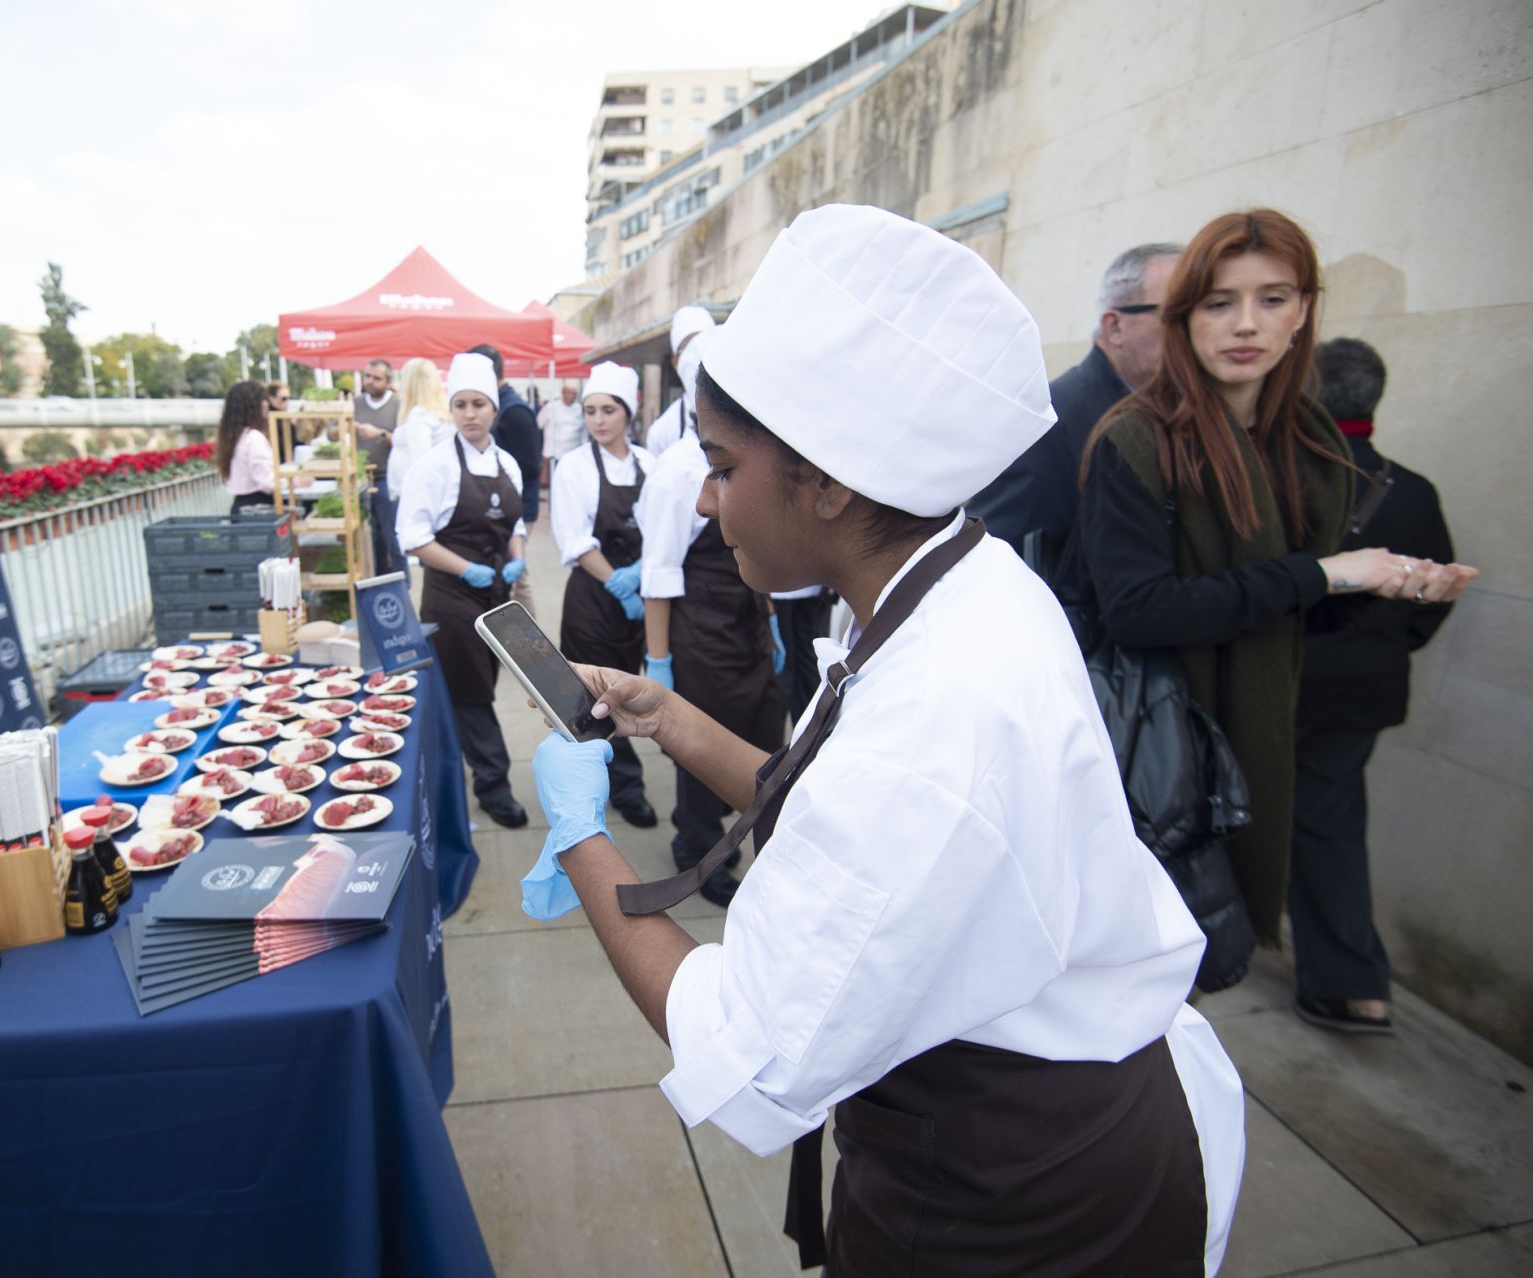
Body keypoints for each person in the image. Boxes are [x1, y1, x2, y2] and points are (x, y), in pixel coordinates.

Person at [517, 205, 1245, 1275]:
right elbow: (816, 791)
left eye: (722, 466)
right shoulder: (940, 580)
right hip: (1011, 1130)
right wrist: (667, 717)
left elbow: (750, 1052)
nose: (709, 503)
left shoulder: (934, 721)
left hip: (1014, 1200)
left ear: (830, 482)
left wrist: (582, 836)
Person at [1073, 208, 1478, 979]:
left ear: (1304, 313)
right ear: (1186, 315)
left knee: (1207, 956)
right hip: (1160, 749)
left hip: (1264, 734)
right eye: (1220, 303)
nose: (1246, 324)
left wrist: (1390, 587)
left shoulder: (1312, 444)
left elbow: (1295, 606)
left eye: (1273, 299)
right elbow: (1139, 608)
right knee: (1144, 964)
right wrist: (1325, 573)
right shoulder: (1137, 437)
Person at [1292, 338, 1473, 1035]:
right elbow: (1438, 595)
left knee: (1223, 817)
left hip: (1280, 685)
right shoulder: (1416, 490)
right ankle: (1352, 988)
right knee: (1331, 826)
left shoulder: (1284, 476)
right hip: (1364, 689)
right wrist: (1393, 645)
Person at [636, 327, 783, 908]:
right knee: (700, 755)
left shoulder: (754, 456)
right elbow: (660, 572)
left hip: (747, 629)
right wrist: (658, 661)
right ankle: (699, 853)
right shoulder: (677, 470)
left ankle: (748, 840)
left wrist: (768, 618)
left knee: (766, 745)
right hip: (699, 636)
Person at [974, 242, 1181, 555]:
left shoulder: (1175, 410)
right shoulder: (1053, 421)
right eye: (1178, 314)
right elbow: (997, 548)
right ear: (1115, 327)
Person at [396, 352, 531, 829]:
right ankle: (494, 788)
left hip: (497, 594)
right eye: (461, 404)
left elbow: (515, 521)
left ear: (494, 409)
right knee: (473, 696)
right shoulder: (433, 467)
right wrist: (467, 568)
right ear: (450, 410)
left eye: (478, 404)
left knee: (475, 688)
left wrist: (516, 554)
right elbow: (413, 537)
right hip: (453, 597)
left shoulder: (508, 464)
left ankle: (448, 774)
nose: (470, 413)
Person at [548, 361, 658, 829]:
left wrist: (640, 574)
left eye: (608, 410)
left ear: (627, 414)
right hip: (593, 600)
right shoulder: (573, 467)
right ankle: (616, 787)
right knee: (592, 699)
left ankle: (619, 782)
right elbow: (573, 539)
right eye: (590, 410)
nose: (598, 419)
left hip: (638, 599)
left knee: (629, 693)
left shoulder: (650, 464)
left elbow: (662, 533)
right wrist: (617, 580)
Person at [469, 343, 543, 617]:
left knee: (518, 579)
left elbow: (530, 467)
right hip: (498, 510)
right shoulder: (498, 406)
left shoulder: (515, 412)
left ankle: (531, 651)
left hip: (517, 510)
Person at [643, 305, 715, 457]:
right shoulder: (661, 432)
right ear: (676, 361)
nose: (697, 352)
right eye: (689, 346)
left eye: (704, 341)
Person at [384, 357, 453, 508]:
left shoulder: (420, 414)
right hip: (434, 492)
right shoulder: (442, 412)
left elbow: (421, 459)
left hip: (417, 497)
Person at [353, 359, 400, 571]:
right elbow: (331, 433)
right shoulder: (355, 403)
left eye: (376, 378)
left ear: (388, 381)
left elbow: (406, 441)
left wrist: (380, 434)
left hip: (387, 479)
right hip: (360, 479)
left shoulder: (398, 404)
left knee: (392, 536)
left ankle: (401, 584)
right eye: (368, 376)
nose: (370, 382)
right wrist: (346, 426)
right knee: (366, 539)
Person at [768, 584, 831, 721]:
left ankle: (806, 730)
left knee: (784, 669)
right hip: (812, 585)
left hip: (777, 588)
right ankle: (811, 731)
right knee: (807, 666)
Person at [214, 380, 274, 513]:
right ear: (253, 405)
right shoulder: (254, 438)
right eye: (262, 399)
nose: (266, 404)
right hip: (258, 507)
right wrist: (295, 482)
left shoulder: (235, 437)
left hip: (241, 505)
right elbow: (268, 482)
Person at [536, 381, 587, 487]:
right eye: (570, 393)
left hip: (574, 452)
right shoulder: (551, 407)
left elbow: (584, 431)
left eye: (574, 394)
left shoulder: (579, 409)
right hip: (554, 453)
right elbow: (539, 423)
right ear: (563, 393)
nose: (572, 396)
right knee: (555, 483)